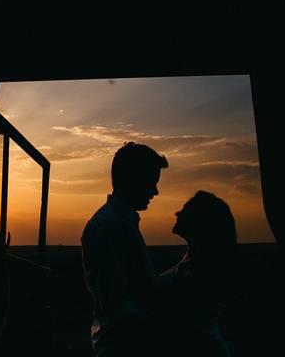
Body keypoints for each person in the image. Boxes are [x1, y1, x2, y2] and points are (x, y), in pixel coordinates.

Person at [81, 142, 169, 356]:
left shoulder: (117, 223)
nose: (155, 191)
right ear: (132, 179)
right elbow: (117, 302)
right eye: (151, 182)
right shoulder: (110, 226)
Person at [150, 191, 237, 356]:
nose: (177, 213)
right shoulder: (193, 263)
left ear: (200, 221)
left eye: (185, 210)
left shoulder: (202, 269)